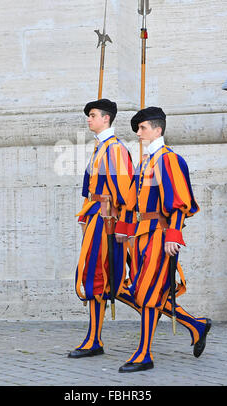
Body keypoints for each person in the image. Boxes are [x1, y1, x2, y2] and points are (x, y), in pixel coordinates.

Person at [118, 106, 211, 373]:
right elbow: (132, 202)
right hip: (140, 235)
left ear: (157, 130)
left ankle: (144, 354)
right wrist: (124, 229)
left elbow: (180, 203)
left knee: (147, 294)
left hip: (160, 235)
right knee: (147, 292)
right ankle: (196, 325)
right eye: (137, 128)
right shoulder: (145, 161)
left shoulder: (169, 159)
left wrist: (174, 235)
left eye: (143, 128)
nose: (138, 133)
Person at [68, 98, 137, 359]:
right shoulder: (100, 148)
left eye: (93, 115)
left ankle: (192, 323)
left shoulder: (115, 150)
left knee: (102, 279)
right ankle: (93, 338)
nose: (89, 119)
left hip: (108, 220)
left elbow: (126, 194)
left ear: (106, 118)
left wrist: (123, 225)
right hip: (97, 217)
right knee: (97, 279)